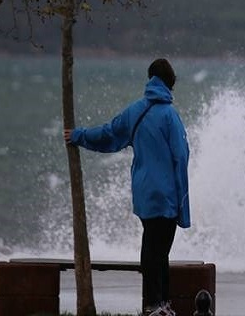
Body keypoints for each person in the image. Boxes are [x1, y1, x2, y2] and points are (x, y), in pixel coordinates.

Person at [64, 58, 190, 316]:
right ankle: (157, 304)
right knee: (159, 251)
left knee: (152, 248)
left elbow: (109, 134)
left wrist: (78, 135)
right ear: (169, 83)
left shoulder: (136, 111)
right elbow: (181, 157)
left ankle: (159, 304)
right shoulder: (169, 115)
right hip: (165, 195)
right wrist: (183, 202)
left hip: (144, 193)